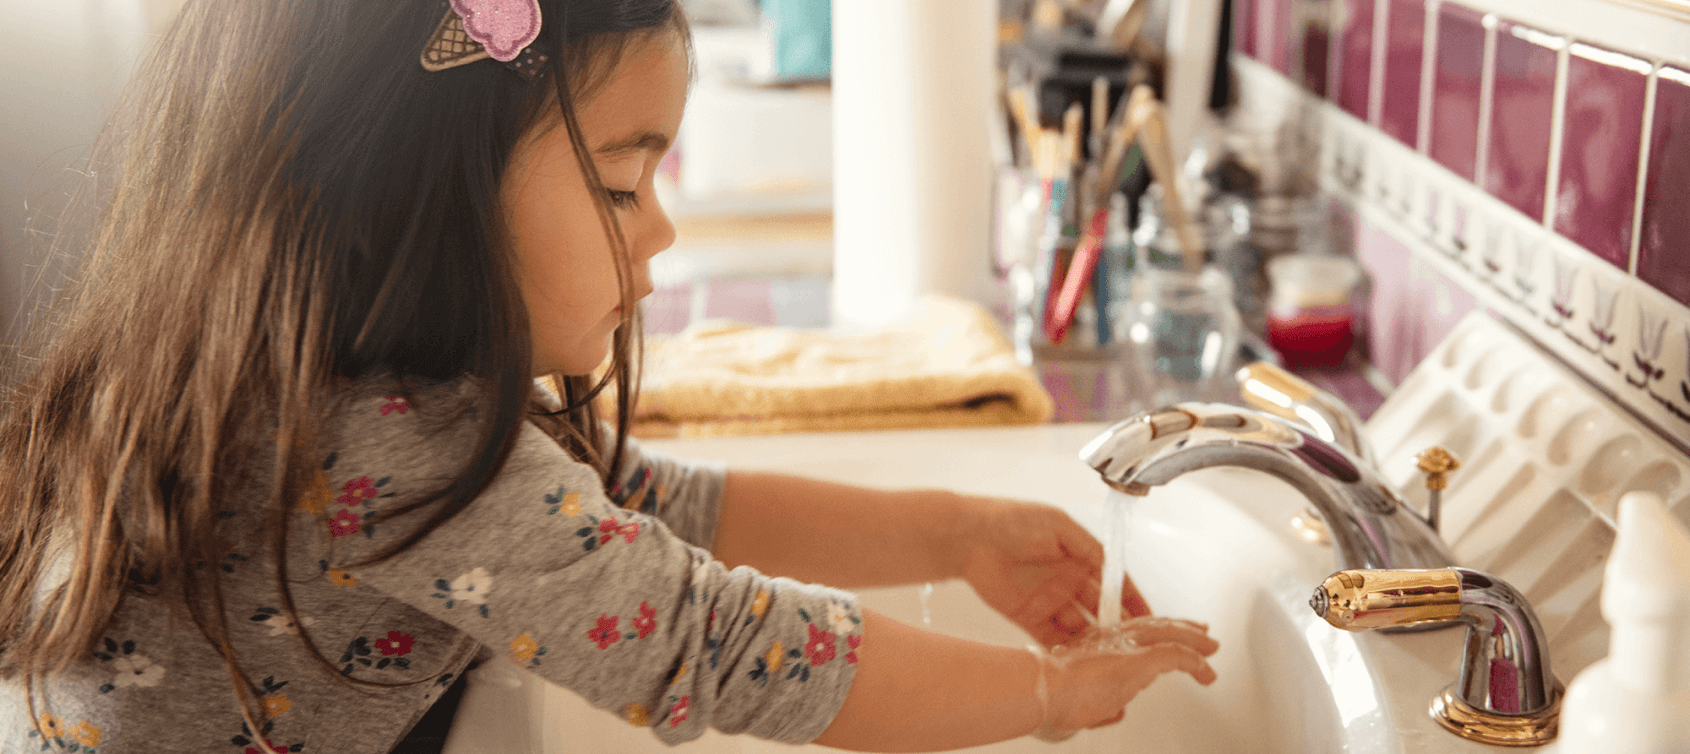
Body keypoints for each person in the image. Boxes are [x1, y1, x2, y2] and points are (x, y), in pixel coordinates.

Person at [0, 1, 1219, 752]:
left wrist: (950, 531)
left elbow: (654, 506)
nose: (660, 231)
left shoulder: (287, 373)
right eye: (624, 183)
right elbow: (724, 645)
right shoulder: (392, 448)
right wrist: (1052, 691)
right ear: (422, 185)